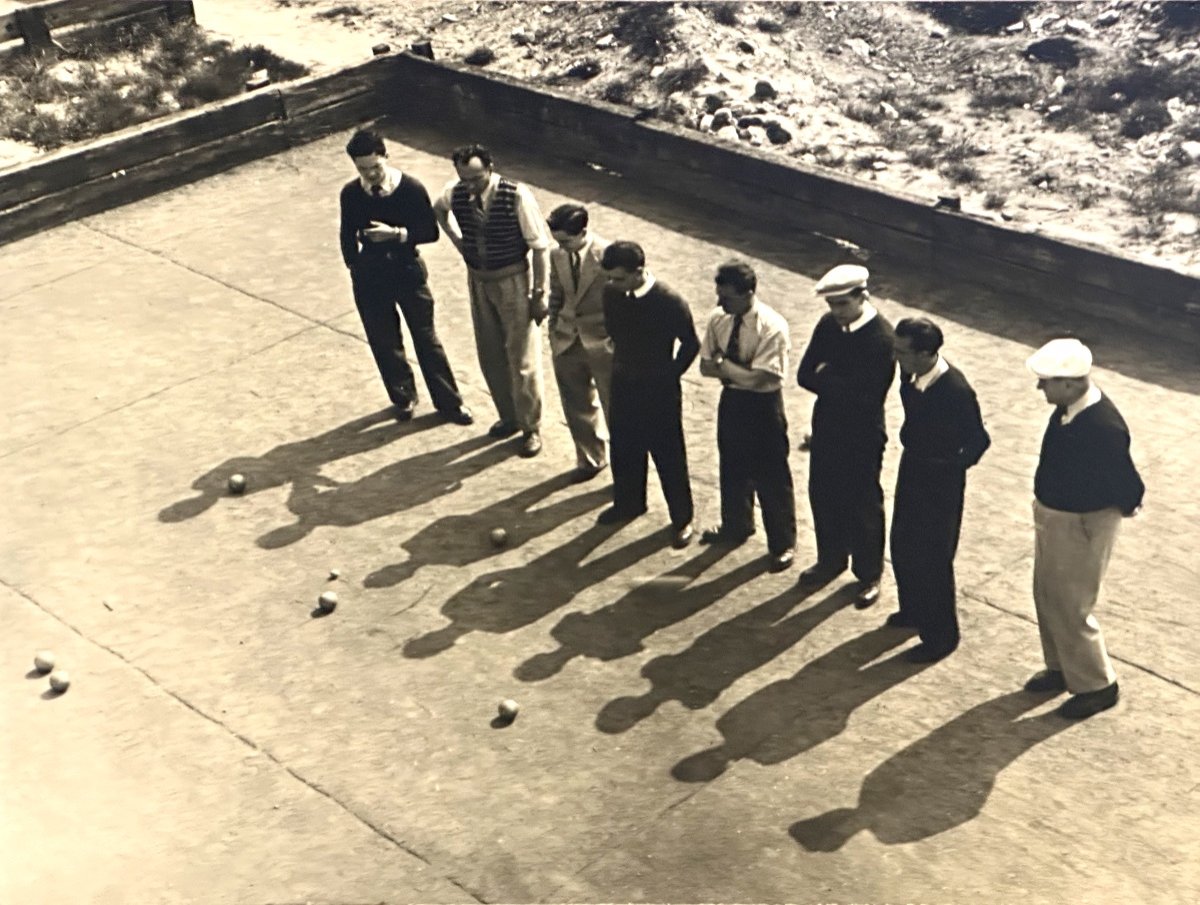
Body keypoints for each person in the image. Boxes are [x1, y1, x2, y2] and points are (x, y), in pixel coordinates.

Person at [1024, 337, 1144, 719]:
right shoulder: (1069, 409)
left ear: (1072, 383)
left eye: (1047, 381)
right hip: (1057, 516)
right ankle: (1061, 666)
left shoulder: (1102, 426)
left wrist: (1093, 525)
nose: (1040, 387)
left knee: (1072, 603)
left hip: (1081, 523)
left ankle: (1097, 684)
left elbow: (1127, 485)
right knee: (1047, 593)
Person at [338, 128, 472, 425]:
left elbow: (430, 232)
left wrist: (396, 235)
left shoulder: (410, 188)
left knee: (426, 339)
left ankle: (449, 403)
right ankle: (403, 397)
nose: (370, 174)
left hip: (407, 273)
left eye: (375, 166)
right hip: (371, 277)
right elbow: (346, 234)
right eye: (363, 169)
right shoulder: (351, 193)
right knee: (384, 341)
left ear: (386, 157)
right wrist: (355, 267)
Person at [433, 144, 551, 457]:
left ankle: (531, 427)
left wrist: (540, 294)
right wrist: (459, 242)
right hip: (478, 281)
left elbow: (540, 247)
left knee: (522, 360)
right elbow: (439, 209)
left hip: (512, 281)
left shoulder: (516, 195)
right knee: (490, 354)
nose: (472, 185)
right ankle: (508, 417)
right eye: (465, 179)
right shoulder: (455, 192)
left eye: (478, 178)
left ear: (490, 167)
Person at [888, 317, 991, 662]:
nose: (895, 356)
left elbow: (978, 441)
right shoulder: (911, 374)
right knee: (903, 542)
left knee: (933, 557)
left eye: (902, 351)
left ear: (926, 353)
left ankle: (941, 637)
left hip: (940, 479)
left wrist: (949, 468)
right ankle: (913, 610)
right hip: (913, 466)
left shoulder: (956, 391)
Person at [796, 264, 895, 608]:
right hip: (827, 426)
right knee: (823, 494)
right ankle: (830, 559)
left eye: (841, 304)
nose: (835, 312)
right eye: (831, 304)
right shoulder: (828, 326)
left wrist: (829, 377)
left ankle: (868, 574)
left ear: (862, 297)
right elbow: (804, 375)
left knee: (862, 503)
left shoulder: (882, 338)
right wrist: (838, 381)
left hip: (862, 434)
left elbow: (868, 396)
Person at [598, 241, 699, 548]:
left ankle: (682, 518)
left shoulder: (669, 301)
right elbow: (615, 331)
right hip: (624, 382)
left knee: (668, 455)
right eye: (611, 278)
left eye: (619, 278)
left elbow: (691, 344)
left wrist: (669, 375)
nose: (613, 284)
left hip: (659, 392)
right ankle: (629, 502)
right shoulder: (611, 293)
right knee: (625, 447)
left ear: (638, 272)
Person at [698, 261, 796, 572]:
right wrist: (739, 372)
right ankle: (736, 525)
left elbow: (762, 380)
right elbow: (704, 367)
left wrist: (724, 366)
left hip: (764, 408)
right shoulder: (718, 319)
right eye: (719, 295)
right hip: (733, 403)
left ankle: (782, 543)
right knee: (732, 466)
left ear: (748, 293)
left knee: (772, 476)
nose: (720, 303)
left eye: (727, 297)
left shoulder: (772, 327)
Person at [546, 203, 613, 483]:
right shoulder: (557, 254)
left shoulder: (609, 255)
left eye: (566, 240)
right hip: (567, 340)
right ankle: (590, 458)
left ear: (583, 231)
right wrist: (553, 330)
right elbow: (556, 294)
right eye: (557, 241)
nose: (562, 246)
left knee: (615, 409)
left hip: (603, 343)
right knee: (576, 405)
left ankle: (625, 471)